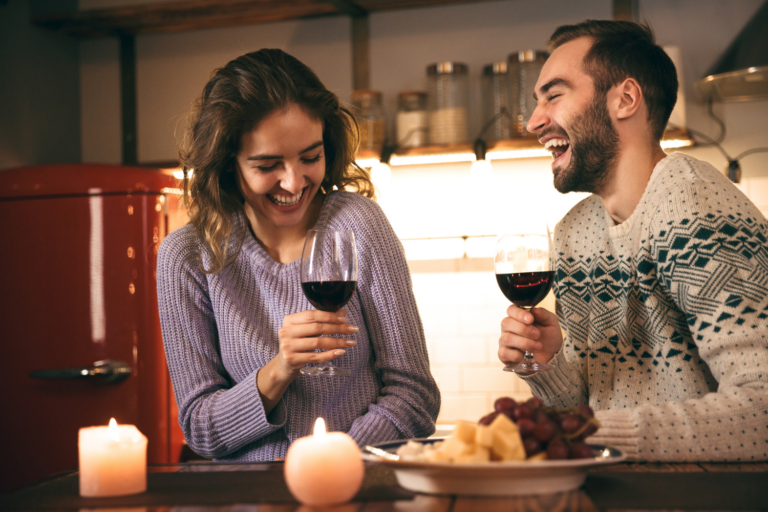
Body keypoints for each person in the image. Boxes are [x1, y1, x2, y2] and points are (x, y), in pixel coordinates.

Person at [498, 20, 768, 461]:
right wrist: (548, 368)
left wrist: (585, 432)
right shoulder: (573, 234)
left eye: (554, 95)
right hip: (615, 490)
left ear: (625, 100)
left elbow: (762, 411)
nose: (534, 122)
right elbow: (593, 409)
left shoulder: (695, 209)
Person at [157, 49, 439, 461]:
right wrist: (279, 369)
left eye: (311, 157)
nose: (293, 182)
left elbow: (414, 397)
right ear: (227, 163)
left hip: (354, 490)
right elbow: (202, 430)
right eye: (268, 164)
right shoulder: (185, 257)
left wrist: (330, 462)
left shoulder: (359, 225)